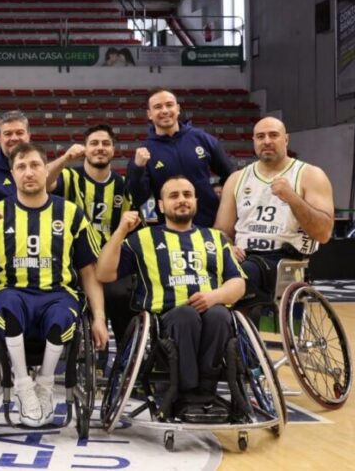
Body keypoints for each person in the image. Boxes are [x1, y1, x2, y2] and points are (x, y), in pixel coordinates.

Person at [0, 143, 108, 427]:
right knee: (8, 306)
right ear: (12, 174)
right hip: (12, 294)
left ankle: (46, 384)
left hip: (57, 295)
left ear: (45, 169)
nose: (29, 172)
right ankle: (24, 386)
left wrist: (99, 318)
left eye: (35, 165)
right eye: (21, 167)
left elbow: (88, 271)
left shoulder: (71, 213)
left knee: (64, 315)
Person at [96, 176, 246, 421]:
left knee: (220, 314)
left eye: (187, 195)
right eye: (174, 196)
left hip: (211, 314)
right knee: (186, 314)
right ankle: (186, 394)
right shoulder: (143, 239)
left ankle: (205, 393)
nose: (182, 200)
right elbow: (104, 273)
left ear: (195, 201)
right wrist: (121, 230)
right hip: (164, 322)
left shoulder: (215, 238)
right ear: (161, 205)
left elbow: (238, 284)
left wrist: (214, 296)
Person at [214, 117, 335, 298]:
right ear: (254, 141)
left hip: (285, 260)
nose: (267, 141)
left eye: (273, 135)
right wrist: (228, 247)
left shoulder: (310, 175)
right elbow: (222, 231)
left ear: (286, 139)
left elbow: (323, 233)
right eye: (260, 136)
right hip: (243, 256)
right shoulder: (237, 178)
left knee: (239, 276)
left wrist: (292, 198)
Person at [46, 124, 136, 345]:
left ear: (114, 150)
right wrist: (65, 158)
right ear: (84, 149)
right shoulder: (68, 176)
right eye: (94, 143)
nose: (100, 148)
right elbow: (42, 181)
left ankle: (124, 361)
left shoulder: (122, 185)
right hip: (72, 261)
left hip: (109, 262)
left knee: (122, 295)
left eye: (106, 143)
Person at [127, 89, 235, 227]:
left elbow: (231, 175)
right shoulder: (144, 153)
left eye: (169, 105)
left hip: (209, 225)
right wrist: (137, 168)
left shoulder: (202, 139)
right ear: (149, 114)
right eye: (158, 107)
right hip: (169, 229)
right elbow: (139, 197)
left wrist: (224, 209)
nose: (165, 110)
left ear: (177, 109)